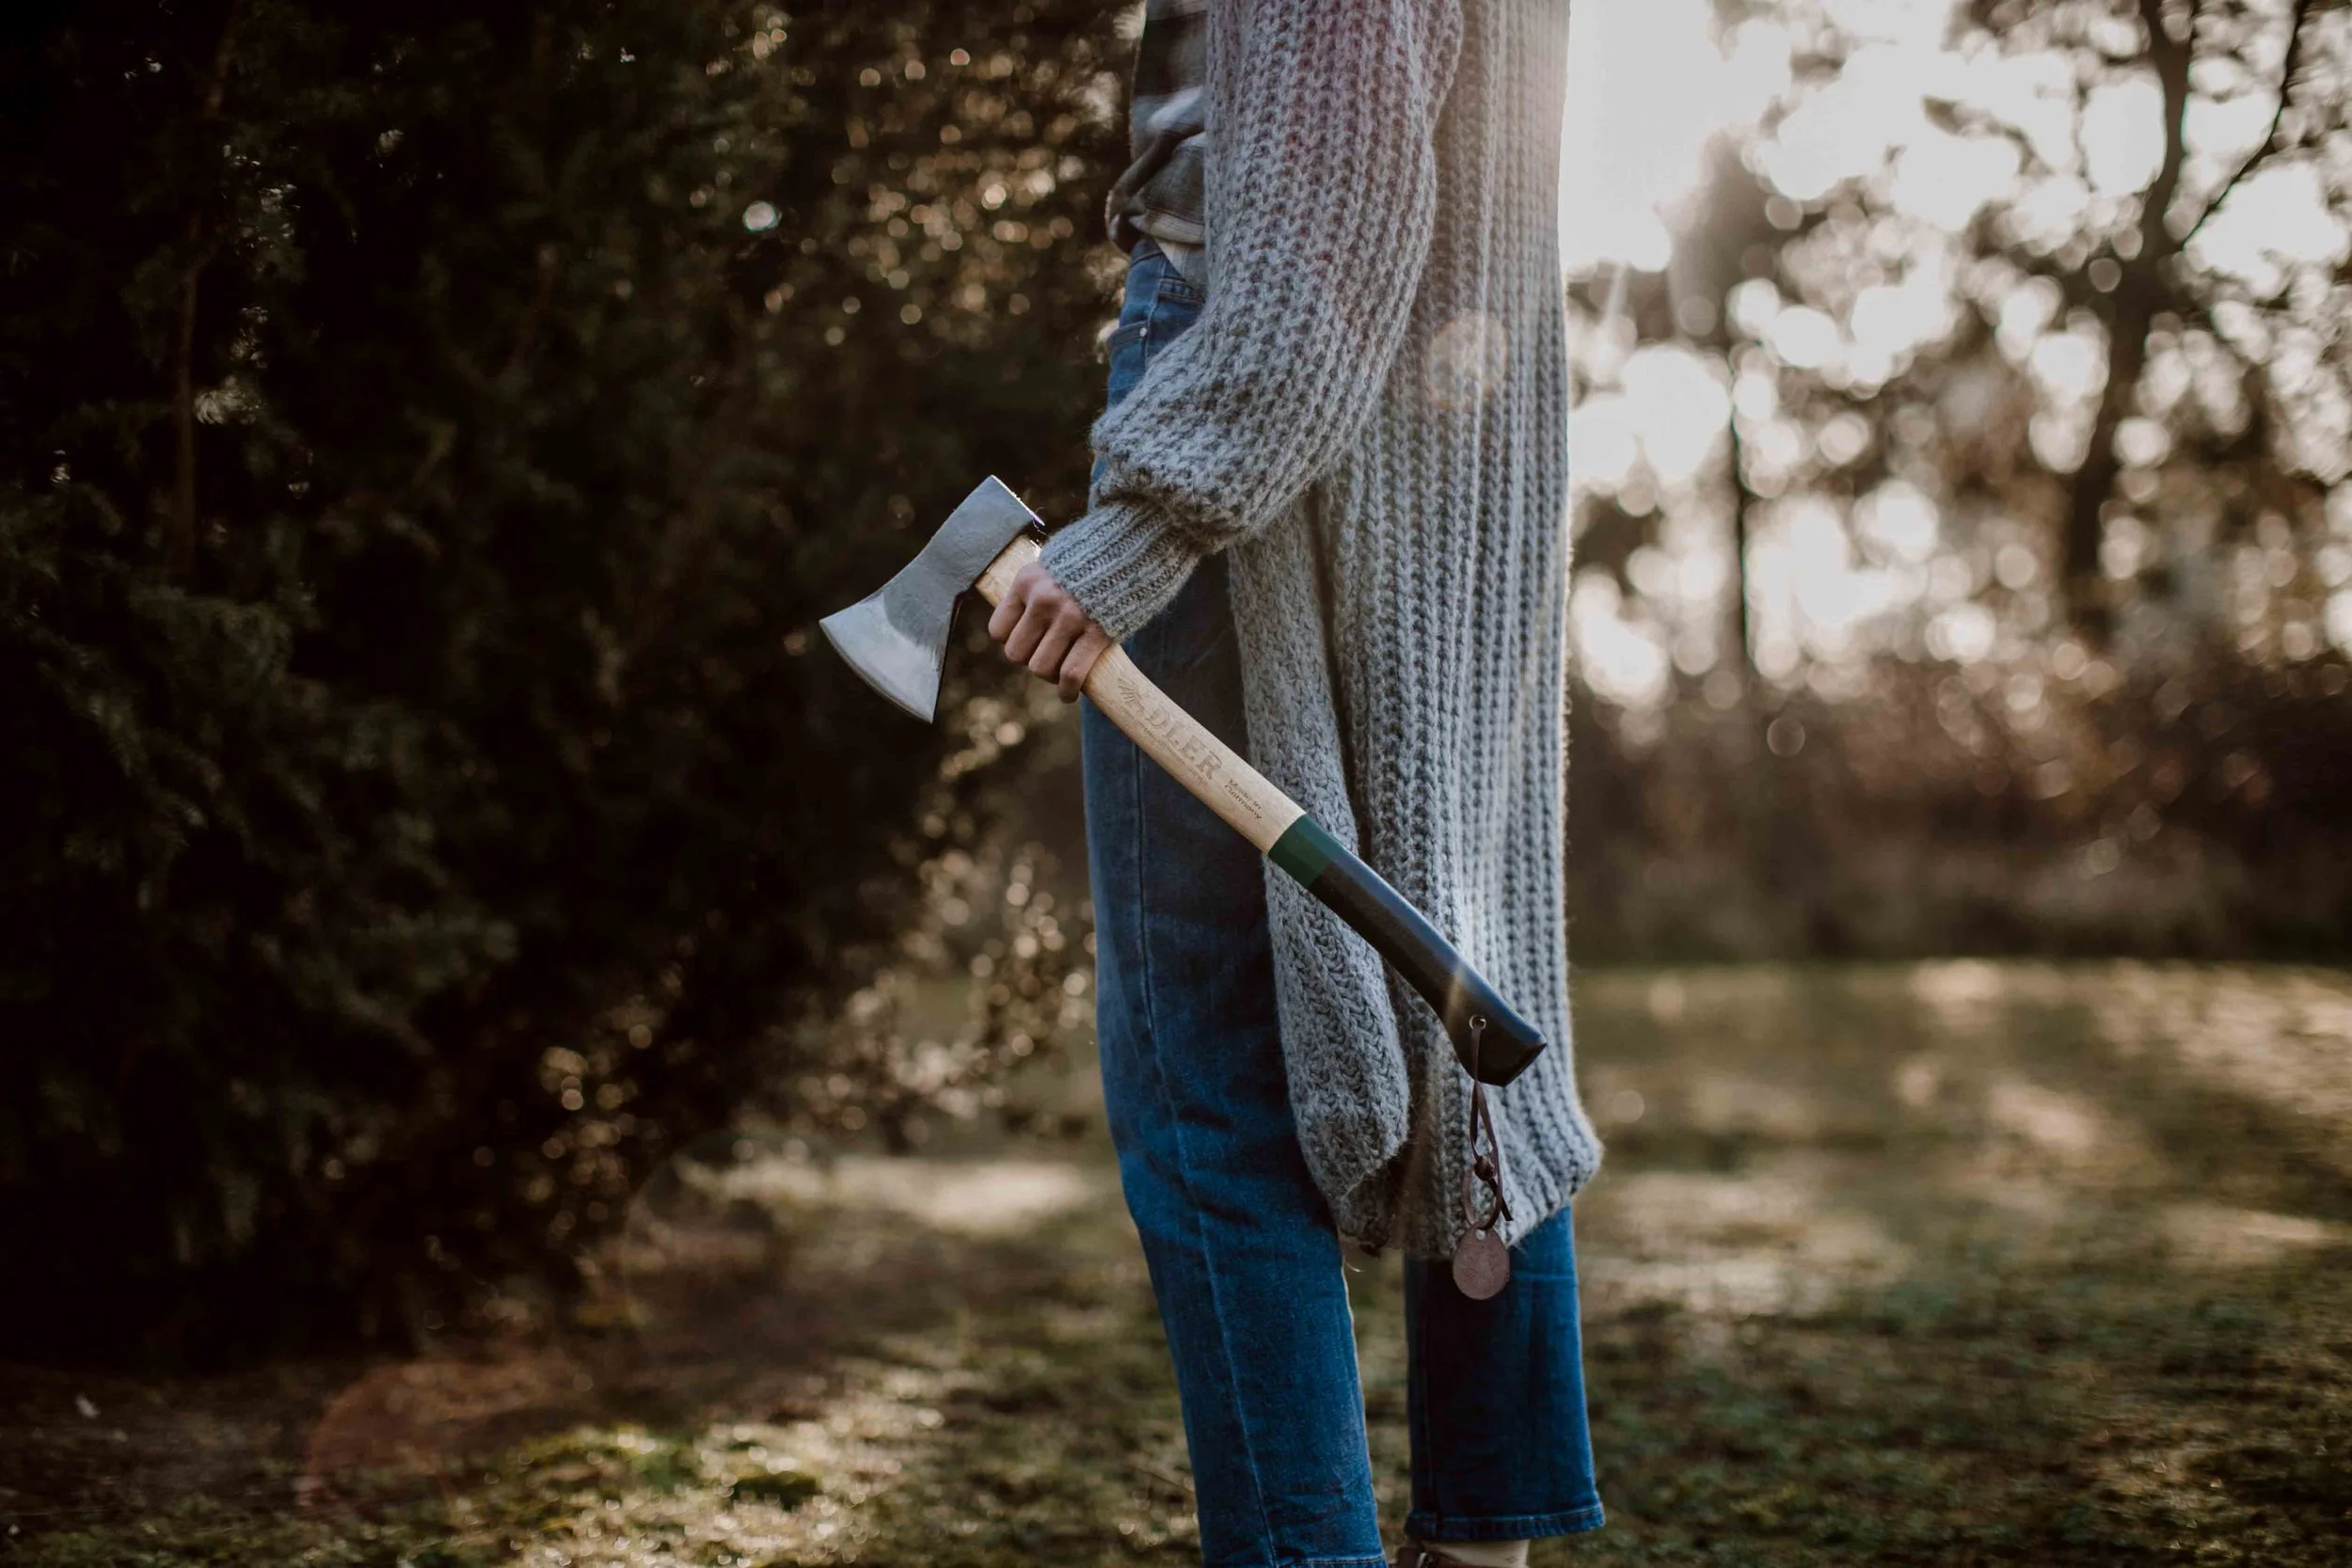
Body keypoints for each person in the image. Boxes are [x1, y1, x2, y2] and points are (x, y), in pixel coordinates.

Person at [985, 2, 1605, 1564]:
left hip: (1257, 416)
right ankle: (1484, 1540)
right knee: (1475, 1004)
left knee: (1208, 1086)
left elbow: (1322, 238)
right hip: (1468, 444)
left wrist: (1144, 521)